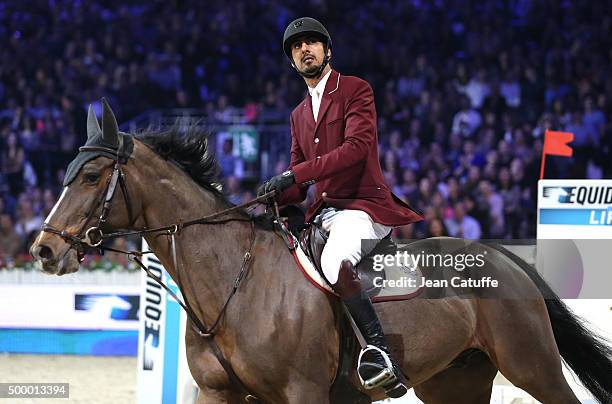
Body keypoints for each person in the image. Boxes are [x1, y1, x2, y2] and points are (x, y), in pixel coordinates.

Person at [257, 17, 422, 397]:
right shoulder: (298, 115)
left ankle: (380, 353)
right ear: (292, 62)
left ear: (327, 51)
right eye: (297, 47)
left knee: (333, 262)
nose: (305, 49)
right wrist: (274, 194)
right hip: (326, 214)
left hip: (365, 207)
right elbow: (299, 188)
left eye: (312, 42)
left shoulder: (355, 90)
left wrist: (294, 173)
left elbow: (355, 150)